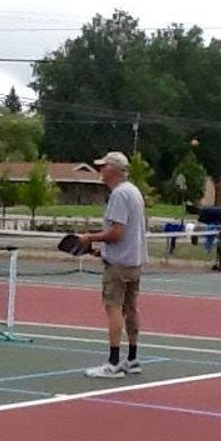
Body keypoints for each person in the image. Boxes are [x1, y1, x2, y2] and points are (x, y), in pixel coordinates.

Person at [78, 151, 148, 379]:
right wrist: (103, 249)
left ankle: (113, 363)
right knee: (131, 308)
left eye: (104, 167)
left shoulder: (119, 194)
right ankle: (133, 359)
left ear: (115, 170)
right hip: (133, 261)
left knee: (114, 308)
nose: (100, 171)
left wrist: (90, 238)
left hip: (119, 264)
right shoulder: (134, 192)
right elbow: (124, 234)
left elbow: (117, 232)